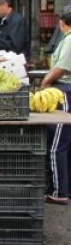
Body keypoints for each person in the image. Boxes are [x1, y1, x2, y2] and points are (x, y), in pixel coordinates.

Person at [41, 11, 71, 205]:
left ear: (62, 23)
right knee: (66, 144)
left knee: (56, 145)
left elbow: (62, 67)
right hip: (65, 89)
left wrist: (46, 80)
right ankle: (65, 189)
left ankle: (59, 192)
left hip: (65, 91)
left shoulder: (69, 40)